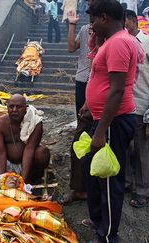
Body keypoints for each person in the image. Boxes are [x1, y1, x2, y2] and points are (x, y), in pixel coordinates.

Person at [82, 0, 143, 241]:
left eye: (94, 21)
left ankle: (108, 235)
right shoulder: (112, 41)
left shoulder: (119, 43)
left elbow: (116, 90)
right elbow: (101, 78)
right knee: (96, 173)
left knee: (109, 180)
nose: (92, 26)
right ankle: (99, 221)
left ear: (104, 18)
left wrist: (100, 132)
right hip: (104, 120)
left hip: (113, 122)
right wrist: (91, 106)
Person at [124, 10, 149, 208]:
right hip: (123, 106)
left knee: (145, 150)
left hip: (143, 105)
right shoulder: (119, 42)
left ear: (134, 21)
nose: (123, 26)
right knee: (124, 148)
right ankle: (126, 182)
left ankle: (143, 190)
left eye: (125, 22)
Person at [60, 10, 92, 204]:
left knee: (95, 136)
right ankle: (78, 187)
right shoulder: (86, 29)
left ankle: (92, 187)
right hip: (82, 81)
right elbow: (71, 47)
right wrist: (72, 25)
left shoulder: (111, 33)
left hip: (98, 85)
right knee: (81, 135)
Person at [0, 94, 50, 184]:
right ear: (7, 108)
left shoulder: (35, 122)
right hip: (6, 163)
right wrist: (1, 180)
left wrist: (23, 181)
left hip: (28, 164)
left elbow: (29, 149)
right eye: (11, 107)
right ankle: (6, 178)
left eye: (19, 107)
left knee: (42, 153)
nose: (14, 110)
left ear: (26, 107)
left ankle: (31, 179)